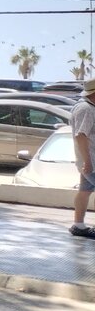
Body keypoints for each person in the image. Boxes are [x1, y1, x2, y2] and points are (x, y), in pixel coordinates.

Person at [70, 78, 95, 239]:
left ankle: (78, 225)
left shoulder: (86, 107)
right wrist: (88, 161)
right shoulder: (86, 109)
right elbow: (81, 135)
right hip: (92, 161)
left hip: (89, 161)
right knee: (85, 190)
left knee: (85, 190)